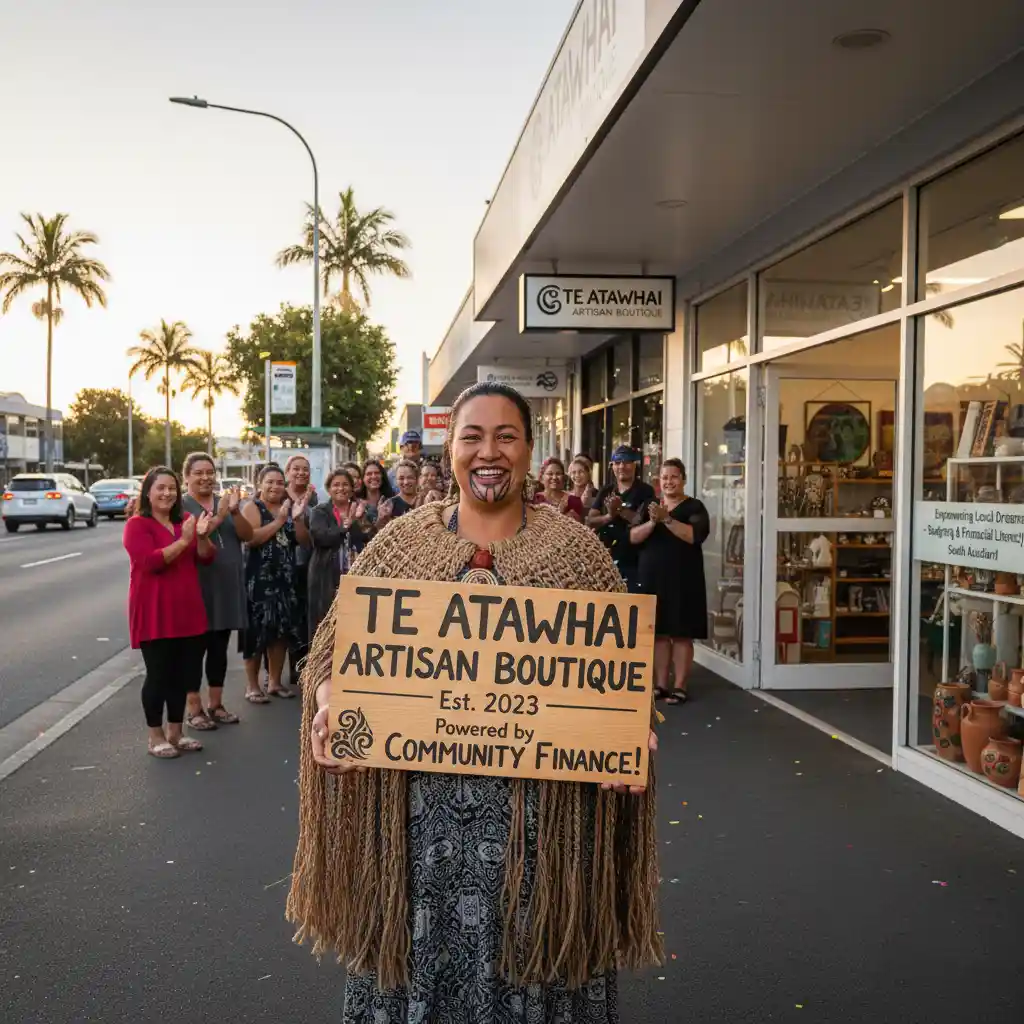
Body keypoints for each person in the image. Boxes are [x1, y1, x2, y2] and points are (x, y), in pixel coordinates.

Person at [290, 382, 661, 1024]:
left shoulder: (576, 553)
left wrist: (629, 734)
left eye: (506, 436)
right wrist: (330, 701)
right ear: (449, 450)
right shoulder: (400, 545)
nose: (489, 452)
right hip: (418, 829)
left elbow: (617, 680)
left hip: (540, 831)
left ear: (528, 447)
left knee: (534, 959)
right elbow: (331, 650)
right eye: (472, 436)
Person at [123, 466, 214, 759]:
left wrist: (200, 537)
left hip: (188, 609)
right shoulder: (137, 525)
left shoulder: (186, 520)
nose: (167, 493)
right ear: (148, 492)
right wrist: (185, 541)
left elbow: (207, 557)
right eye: (160, 488)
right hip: (154, 611)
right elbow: (150, 563)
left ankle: (176, 732)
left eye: (172, 488)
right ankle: (156, 735)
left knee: (184, 675)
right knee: (159, 675)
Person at [181, 452, 253, 728]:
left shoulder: (227, 502)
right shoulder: (182, 506)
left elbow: (247, 536)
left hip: (225, 587)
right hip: (196, 586)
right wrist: (222, 514)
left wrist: (233, 511)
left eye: (210, 472)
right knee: (193, 649)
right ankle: (194, 709)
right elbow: (194, 537)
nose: (205, 477)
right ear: (186, 477)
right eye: (198, 472)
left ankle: (216, 704)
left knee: (219, 648)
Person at [630, 458, 710, 704]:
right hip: (654, 579)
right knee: (660, 634)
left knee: (682, 634)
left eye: (674, 477)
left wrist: (667, 520)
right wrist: (653, 521)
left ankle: (680, 686)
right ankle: (661, 685)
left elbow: (694, 535)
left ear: (683, 479)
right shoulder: (649, 505)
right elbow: (633, 536)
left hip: (684, 580)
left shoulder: (695, 507)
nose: (669, 482)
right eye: (664, 478)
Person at [241, 465, 309, 702]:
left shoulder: (290, 507)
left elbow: (302, 541)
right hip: (258, 581)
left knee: (280, 633)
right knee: (255, 634)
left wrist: (297, 519)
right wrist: (279, 521)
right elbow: (251, 539)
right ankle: (252, 686)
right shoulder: (252, 507)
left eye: (280, 482)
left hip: (285, 579)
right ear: (260, 484)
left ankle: (275, 682)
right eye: (270, 482)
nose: (275, 486)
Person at [307, 468, 368, 641]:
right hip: (326, 576)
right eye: (336, 485)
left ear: (352, 487)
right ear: (328, 488)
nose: (341, 488)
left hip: (355, 576)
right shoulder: (320, 511)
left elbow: (367, 537)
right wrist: (343, 528)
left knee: (353, 627)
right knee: (325, 625)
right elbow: (321, 537)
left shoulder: (361, 509)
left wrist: (357, 521)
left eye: (345, 484)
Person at [586, 445, 656, 592]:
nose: (622, 467)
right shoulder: (606, 490)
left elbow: (641, 521)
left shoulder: (645, 491)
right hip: (606, 559)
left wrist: (620, 510)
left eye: (626, 462)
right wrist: (609, 516)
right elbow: (590, 520)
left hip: (634, 561)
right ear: (612, 466)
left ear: (635, 465)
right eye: (617, 463)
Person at [284, 454, 318, 686]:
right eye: (296, 469)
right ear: (287, 472)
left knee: (303, 614)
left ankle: (302, 665)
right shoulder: (280, 494)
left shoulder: (313, 498)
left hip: (306, 561)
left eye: (305, 469)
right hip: (281, 563)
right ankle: (276, 671)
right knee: (284, 617)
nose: (301, 473)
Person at [533, 456, 584, 521]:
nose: (554, 477)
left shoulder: (574, 501)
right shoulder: (536, 500)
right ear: (542, 478)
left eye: (558, 474)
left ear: (563, 477)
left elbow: (580, 528)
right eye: (550, 474)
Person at [377, 459, 418, 527]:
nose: (406, 482)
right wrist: (381, 519)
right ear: (396, 480)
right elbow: (380, 532)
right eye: (401, 478)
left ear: (417, 479)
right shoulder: (389, 504)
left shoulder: (425, 499)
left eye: (410, 478)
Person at [358, 458, 394, 531]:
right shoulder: (357, 505)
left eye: (377, 473)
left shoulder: (392, 501)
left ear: (382, 476)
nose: (374, 476)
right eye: (369, 474)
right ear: (363, 479)